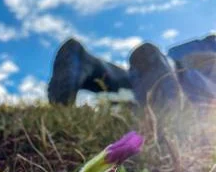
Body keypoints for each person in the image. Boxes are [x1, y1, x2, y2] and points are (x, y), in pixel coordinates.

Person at [48, 35, 216, 111]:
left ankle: (84, 61)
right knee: (160, 86)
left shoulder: (202, 43)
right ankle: (163, 97)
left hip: (168, 65)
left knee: (125, 83)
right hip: (184, 78)